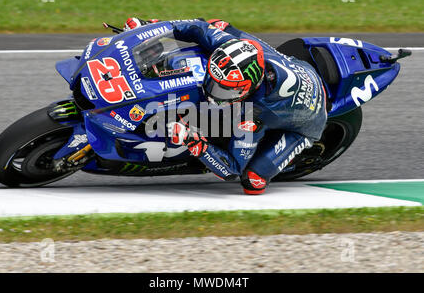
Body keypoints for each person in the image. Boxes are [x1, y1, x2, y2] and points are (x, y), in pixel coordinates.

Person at [124, 17, 328, 195]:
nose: (212, 92)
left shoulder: (252, 114)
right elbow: (198, 26)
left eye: (224, 90)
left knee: (252, 181)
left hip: (310, 120)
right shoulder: (232, 45)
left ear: (247, 89)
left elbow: (232, 169)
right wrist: (151, 28)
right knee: (217, 25)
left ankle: (279, 154)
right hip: (298, 68)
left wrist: (195, 142)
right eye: (214, 83)